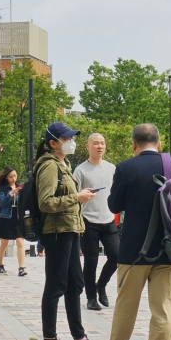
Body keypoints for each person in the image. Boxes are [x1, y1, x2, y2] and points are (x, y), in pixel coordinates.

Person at [97, 123, 171, 340]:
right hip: (170, 251)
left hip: (133, 252)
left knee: (126, 309)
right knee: (163, 309)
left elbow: (114, 205)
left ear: (133, 145)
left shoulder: (126, 167)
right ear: (159, 144)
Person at [35, 123, 98, 340]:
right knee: (56, 285)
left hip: (70, 230)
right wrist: (77, 197)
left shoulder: (65, 164)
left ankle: (78, 336)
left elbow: (67, 200)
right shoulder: (49, 166)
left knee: (75, 283)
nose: (71, 142)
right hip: (57, 232)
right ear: (53, 143)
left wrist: (79, 214)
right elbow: (46, 202)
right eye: (66, 138)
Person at [73, 132, 119, 311]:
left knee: (117, 256)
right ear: (87, 147)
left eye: (102, 143)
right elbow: (74, 197)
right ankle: (91, 297)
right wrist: (79, 220)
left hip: (108, 220)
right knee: (90, 261)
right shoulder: (81, 170)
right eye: (95, 143)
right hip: (88, 221)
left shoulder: (112, 168)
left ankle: (101, 285)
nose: (100, 146)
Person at [0, 167, 27, 277]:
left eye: (15, 176)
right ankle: (0, 264)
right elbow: (2, 203)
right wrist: (11, 193)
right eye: (11, 176)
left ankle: (21, 268)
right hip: (6, 218)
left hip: (18, 218)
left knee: (20, 242)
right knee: (4, 243)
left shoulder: (20, 187)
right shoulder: (3, 188)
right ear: (6, 177)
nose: (13, 178)